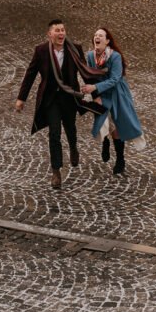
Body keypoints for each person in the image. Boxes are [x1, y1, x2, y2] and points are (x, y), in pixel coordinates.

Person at [15, 18, 99, 189]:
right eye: (57, 31)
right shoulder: (41, 51)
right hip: (51, 99)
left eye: (63, 30)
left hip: (69, 98)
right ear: (49, 34)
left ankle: (73, 147)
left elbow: (85, 73)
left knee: (70, 128)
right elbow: (30, 74)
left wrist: (96, 94)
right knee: (54, 133)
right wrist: (21, 98)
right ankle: (56, 171)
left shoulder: (75, 49)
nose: (61, 33)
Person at [80, 27, 145, 176]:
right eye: (95, 35)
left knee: (116, 123)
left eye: (101, 35)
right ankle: (105, 142)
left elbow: (115, 79)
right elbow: (88, 75)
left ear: (107, 40)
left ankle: (120, 159)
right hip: (101, 92)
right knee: (103, 121)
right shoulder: (90, 56)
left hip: (117, 92)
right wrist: (94, 93)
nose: (97, 37)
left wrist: (95, 87)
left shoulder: (115, 57)